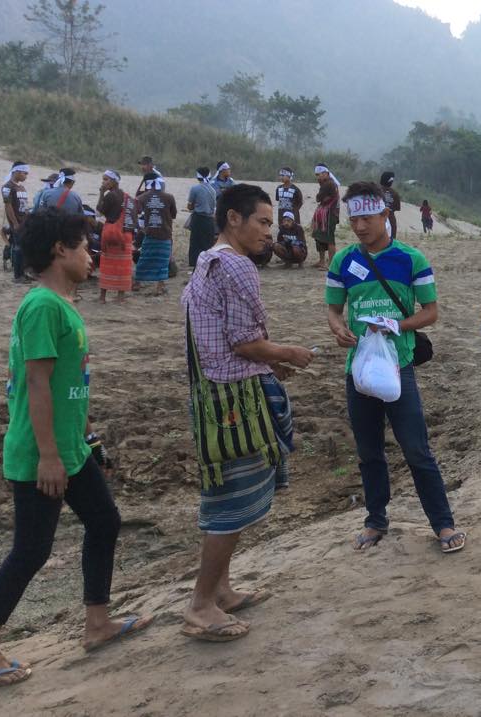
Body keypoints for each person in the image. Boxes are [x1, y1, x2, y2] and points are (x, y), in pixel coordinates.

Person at [0, 211, 155, 688]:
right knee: (31, 551)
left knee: (105, 521)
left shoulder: (63, 303)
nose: (91, 255)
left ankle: (97, 623)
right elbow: (36, 383)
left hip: (70, 447)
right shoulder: (43, 306)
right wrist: (48, 456)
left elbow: (70, 382)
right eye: (84, 246)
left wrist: (88, 436)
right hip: (40, 453)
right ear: (59, 250)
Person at [181, 184, 313, 642]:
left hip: (213, 393)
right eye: (261, 222)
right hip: (234, 402)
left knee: (226, 498)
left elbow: (220, 337)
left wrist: (268, 360)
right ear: (233, 219)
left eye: (270, 224)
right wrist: (288, 353)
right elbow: (244, 342)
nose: (268, 232)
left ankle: (219, 589)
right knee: (232, 505)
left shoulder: (207, 260)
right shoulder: (237, 266)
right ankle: (201, 604)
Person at [326, 181, 466, 555]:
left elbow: (431, 312)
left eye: (368, 219)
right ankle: (375, 520)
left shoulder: (410, 259)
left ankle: (443, 523)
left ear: (385, 215)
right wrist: (338, 329)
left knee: (416, 449)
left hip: (398, 366)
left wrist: (397, 325)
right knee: (368, 451)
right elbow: (334, 310)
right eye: (354, 220)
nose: (360, 227)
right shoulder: (343, 262)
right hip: (358, 369)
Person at [96, 170, 136, 303]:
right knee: (122, 267)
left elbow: (99, 212)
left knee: (107, 265)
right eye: (103, 179)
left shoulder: (110, 196)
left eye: (106, 179)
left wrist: (101, 193)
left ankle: (102, 297)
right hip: (125, 234)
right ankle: (120, 296)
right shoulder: (127, 197)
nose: (103, 182)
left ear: (114, 181)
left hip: (111, 234)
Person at [134, 174, 177, 296]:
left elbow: (136, 209)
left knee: (144, 258)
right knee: (163, 261)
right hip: (165, 233)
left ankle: (137, 282)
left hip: (150, 232)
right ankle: (160, 286)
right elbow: (173, 215)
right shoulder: (169, 197)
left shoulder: (143, 197)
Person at [1, 161, 30, 283]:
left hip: (24, 222)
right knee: (18, 248)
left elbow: (24, 206)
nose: (26, 176)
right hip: (16, 223)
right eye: (24, 173)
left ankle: (23, 273)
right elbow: (8, 206)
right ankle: (18, 276)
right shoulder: (7, 187)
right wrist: (15, 223)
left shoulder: (21, 187)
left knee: (24, 248)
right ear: (16, 171)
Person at [311, 164, 341, 269]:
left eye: (320, 174)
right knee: (319, 237)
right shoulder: (329, 183)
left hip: (329, 214)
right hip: (325, 213)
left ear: (326, 173)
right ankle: (322, 261)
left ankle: (330, 263)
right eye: (317, 175)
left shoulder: (328, 184)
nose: (318, 177)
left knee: (329, 238)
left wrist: (321, 196)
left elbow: (318, 198)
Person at [186, 167, 217, 268]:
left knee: (196, 243)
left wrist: (194, 206)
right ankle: (208, 263)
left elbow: (190, 206)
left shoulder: (195, 188)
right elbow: (213, 206)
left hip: (198, 219)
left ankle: (195, 264)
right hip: (210, 220)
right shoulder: (213, 190)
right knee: (207, 243)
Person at [380, 171, 402, 240]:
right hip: (391, 220)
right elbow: (397, 208)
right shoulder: (395, 193)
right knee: (391, 241)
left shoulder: (375, 191)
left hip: (377, 219)